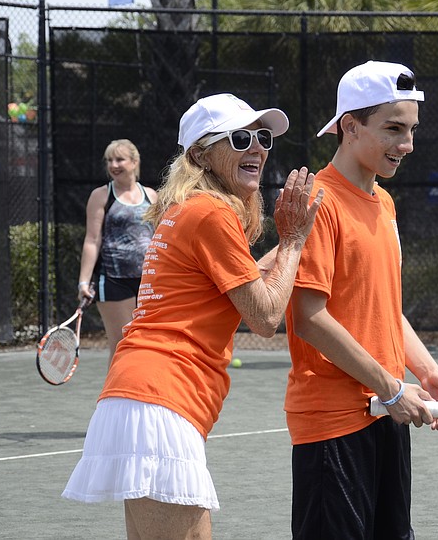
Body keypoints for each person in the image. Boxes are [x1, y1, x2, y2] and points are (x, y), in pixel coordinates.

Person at [62, 93, 323, 540]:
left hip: (146, 394)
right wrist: (295, 240)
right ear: (201, 154)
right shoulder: (212, 213)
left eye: (262, 137)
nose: (257, 147)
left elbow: (244, 283)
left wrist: (298, 241)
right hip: (162, 396)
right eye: (240, 138)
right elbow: (264, 317)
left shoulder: (191, 209)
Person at [284, 61, 438, 539]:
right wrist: (392, 386)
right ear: (349, 126)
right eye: (393, 129)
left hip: (386, 415)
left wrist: (427, 373)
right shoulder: (317, 202)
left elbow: (385, 308)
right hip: (333, 427)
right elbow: (308, 318)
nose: (407, 145)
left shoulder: (383, 203)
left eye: (411, 130)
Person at [77, 139, 158, 365]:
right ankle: (113, 399)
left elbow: (160, 239)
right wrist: (83, 282)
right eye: (109, 160)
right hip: (113, 281)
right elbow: (92, 240)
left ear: (134, 162)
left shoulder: (151, 196)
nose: (114, 164)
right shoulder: (101, 196)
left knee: (148, 344)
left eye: (119, 159)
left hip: (148, 281)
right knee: (123, 345)